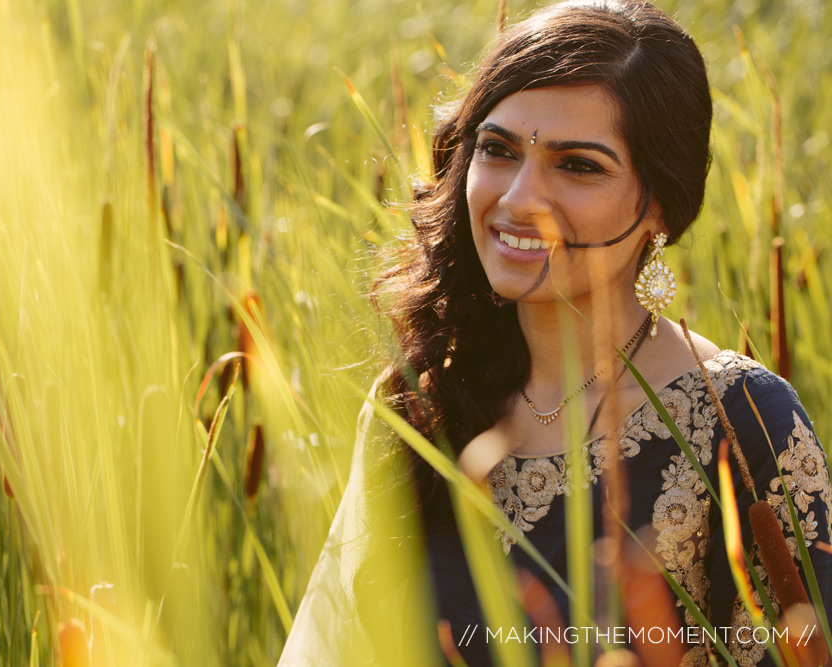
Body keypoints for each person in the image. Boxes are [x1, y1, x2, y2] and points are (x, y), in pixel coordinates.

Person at [278, 1, 832, 665]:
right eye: (498, 150)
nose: (518, 198)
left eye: (579, 165)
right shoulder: (421, 399)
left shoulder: (742, 424)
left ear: (660, 203)